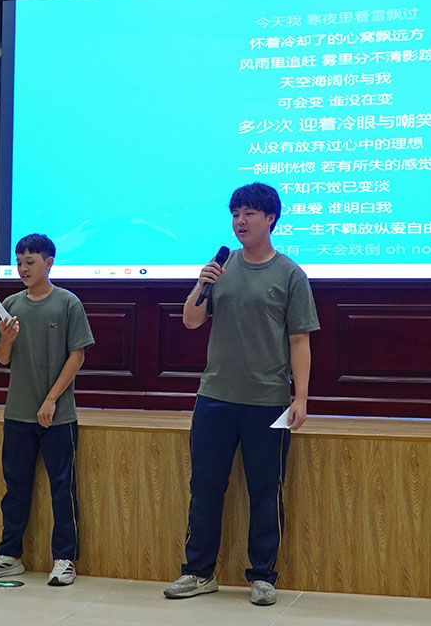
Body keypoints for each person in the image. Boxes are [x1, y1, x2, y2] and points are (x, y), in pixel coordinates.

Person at [164, 182, 319, 606]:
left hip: (268, 400)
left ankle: (263, 576)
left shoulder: (290, 274)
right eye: (235, 214)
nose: (240, 221)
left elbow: (300, 340)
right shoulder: (221, 267)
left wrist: (301, 398)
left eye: (249, 213)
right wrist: (201, 284)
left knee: (265, 491)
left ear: (270, 218)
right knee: (205, 488)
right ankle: (199, 572)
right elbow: (191, 321)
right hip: (215, 396)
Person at [0, 234, 94, 586]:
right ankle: (9, 555)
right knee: (15, 488)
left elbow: (77, 356)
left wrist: (52, 398)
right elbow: (1, 358)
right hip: (18, 412)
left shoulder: (68, 302)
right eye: (19, 261)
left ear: (49, 262)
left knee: (62, 488)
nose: (23, 268)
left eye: (31, 261)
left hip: (58, 415)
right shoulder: (11, 304)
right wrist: (7, 339)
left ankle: (65, 559)